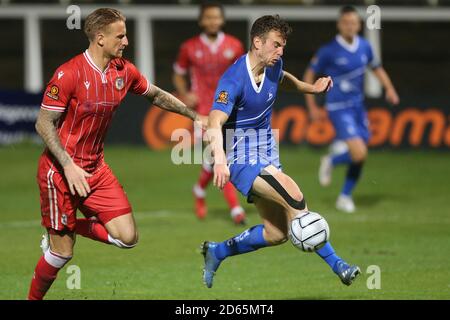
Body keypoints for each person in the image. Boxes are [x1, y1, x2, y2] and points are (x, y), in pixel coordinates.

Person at [28, 8, 207, 300]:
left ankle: (61, 228)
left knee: (127, 238)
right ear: (100, 38)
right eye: (120, 35)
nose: (126, 41)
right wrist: (69, 165)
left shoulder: (123, 71)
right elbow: (43, 123)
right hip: (60, 171)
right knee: (63, 254)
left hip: (96, 169)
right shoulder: (69, 73)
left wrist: (193, 115)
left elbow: (156, 94)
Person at [201, 14, 360, 289]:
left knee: (276, 233)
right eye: (276, 45)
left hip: (267, 152)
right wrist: (219, 160)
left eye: (283, 46)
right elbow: (214, 120)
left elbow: (282, 79)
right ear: (257, 42)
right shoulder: (234, 79)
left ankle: (218, 251)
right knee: (295, 198)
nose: (280, 51)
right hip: (241, 157)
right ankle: (339, 265)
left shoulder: (274, 65)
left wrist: (311, 89)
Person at [304, 6, 399, 213]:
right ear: (339, 25)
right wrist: (312, 104)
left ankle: (344, 195)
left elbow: (377, 68)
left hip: (358, 107)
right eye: (346, 22)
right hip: (338, 107)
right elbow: (309, 76)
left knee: (360, 155)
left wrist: (390, 89)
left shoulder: (364, 46)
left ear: (359, 25)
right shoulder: (328, 50)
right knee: (359, 153)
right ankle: (332, 161)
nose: (350, 26)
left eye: (354, 23)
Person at [173, 2, 247, 224]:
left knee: (214, 157)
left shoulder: (234, 45)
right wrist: (186, 94)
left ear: (222, 20)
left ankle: (199, 189)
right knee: (219, 154)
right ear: (201, 21)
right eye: (208, 17)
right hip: (204, 111)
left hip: (229, 108)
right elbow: (178, 73)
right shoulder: (189, 47)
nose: (213, 21)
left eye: (216, 17)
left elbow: (243, 74)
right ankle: (236, 209)